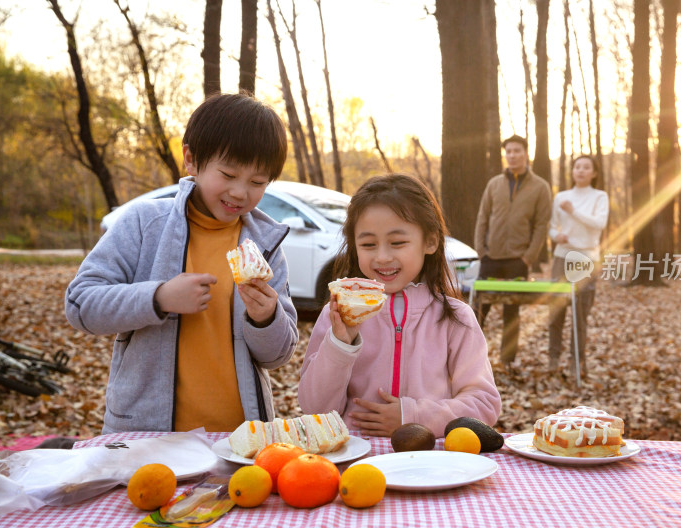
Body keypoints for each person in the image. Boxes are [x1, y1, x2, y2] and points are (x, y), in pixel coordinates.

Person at [65, 93, 299, 434]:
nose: (240, 192)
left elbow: (277, 356)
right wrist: (158, 298)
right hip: (148, 438)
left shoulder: (264, 245)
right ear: (191, 159)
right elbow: (81, 304)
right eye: (229, 174)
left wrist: (266, 318)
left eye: (257, 182)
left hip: (240, 441)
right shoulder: (144, 224)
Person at [298, 174, 501, 438]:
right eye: (368, 244)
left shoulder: (456, 318)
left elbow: (483, 403)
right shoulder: (337, 316)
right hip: (357, 462)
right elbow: (314, 410)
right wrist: (340, 344)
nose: (382, 257)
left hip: (431, 466)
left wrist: (414, 417)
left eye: (397, 243)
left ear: (430, 241)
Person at [474, 134, 552, 365]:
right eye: (508, 151)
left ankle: (507, 361)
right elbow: (483, 217)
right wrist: (481, 250)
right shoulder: (494, 184)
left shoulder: (540, 187)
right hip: (490, 257)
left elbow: (541, 225)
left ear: (526, 153)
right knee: (478, 311)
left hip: (517, 260)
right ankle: (468, 361)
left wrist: (528, 257)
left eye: (517, 150)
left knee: (511, 314)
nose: (512, 155)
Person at [548, 154, 608, 379]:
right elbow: (552, 227)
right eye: (577, 167)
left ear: (594, 173)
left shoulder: (599, 197)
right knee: (556, 311)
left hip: (586, 259)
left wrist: (573, 211)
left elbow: (599, 224)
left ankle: (576, 361)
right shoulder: (561, 197)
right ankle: (553, 358)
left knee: (580, 313)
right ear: (572, 171)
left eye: (586, 168)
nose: (581, 171)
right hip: (562, 257)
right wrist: (557, 236)